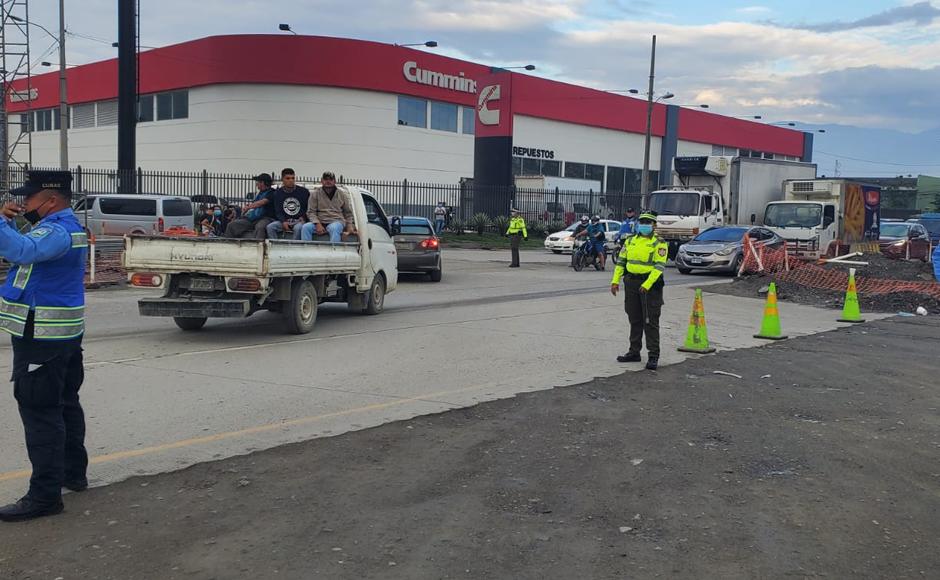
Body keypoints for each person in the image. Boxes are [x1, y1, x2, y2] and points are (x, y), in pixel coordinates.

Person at [0, 170, 89, 522]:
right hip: (61, 334)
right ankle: (72, 474)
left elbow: (22, 251)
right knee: (64, 403)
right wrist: (9, 223)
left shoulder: (57, 231)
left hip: (42, 335)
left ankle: (44, 497)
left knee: (40, 412)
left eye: (30, 197)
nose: (24, 203)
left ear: (51, 200)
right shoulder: (61, 228)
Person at [610, 211, 668, 371]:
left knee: (650, 321)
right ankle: (634, 352)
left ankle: (653, 355)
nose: (644, 225)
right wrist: (615, 281)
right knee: (634, 319)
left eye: (648, 223)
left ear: (654, 225)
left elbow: (659, 267)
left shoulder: (659, 243)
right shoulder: (630, 241)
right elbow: (621, 262)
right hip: (631, 283)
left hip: (650, 285)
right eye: (642, 222)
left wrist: (647, 284)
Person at [302, 171, 356, 243]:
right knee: (305, 227)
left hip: (336, 221)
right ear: (322, 181)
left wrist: (349, 226)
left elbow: (348, 213)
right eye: (326, 179)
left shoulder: (341, 194)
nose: (328, 181)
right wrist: (317, 224)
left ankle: (334, 249)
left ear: (335, 181)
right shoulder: (315, 194)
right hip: (320, 221)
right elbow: (311, 212)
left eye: (331, 179)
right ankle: (307, 249)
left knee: (334, 228)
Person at [225, 173, 276, 239]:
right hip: (253, 218)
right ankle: (228, 243)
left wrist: (249, 207)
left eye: (258, 182)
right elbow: (254, 204)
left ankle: (258, 244)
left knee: (260, 227)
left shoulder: (272, 193)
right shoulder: (259, 193)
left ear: (263, 183)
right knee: (231, 225)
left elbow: (262, 202)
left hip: (266, 218)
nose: (256, 184)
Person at [266, 168, 310, 240]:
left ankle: (294, 246)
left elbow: (308, 208)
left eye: (293, 178)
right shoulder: (278, 193)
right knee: (270, 227)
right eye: (288, 178)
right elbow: (278, 211)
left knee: (298, 228)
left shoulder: (303, 192)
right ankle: (275, 245)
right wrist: (283, 221)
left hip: (299, 221)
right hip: (285, 220)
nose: (291, 180)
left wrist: (304, 217)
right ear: (282, 179)